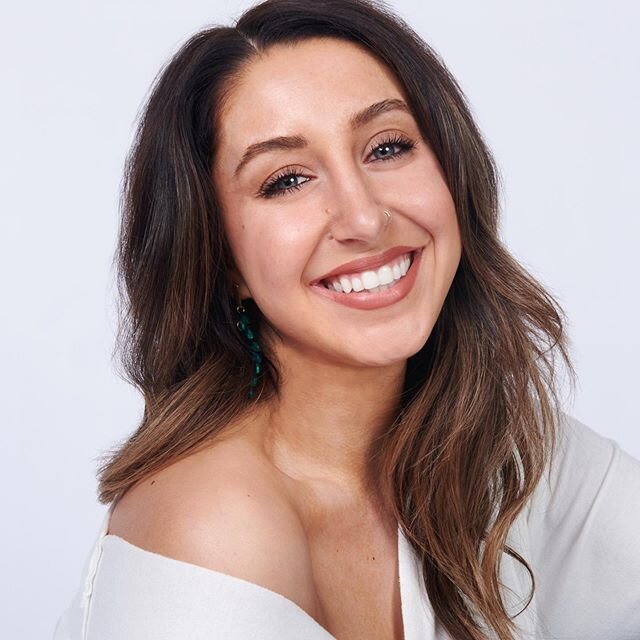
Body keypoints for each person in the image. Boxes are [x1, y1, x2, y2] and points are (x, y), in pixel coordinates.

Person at [53, 1, 640, 639]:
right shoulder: (214, 525)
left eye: (388, 147)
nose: (363, 218)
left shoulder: (495, 446)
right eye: (286, 181)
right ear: (220, 258)